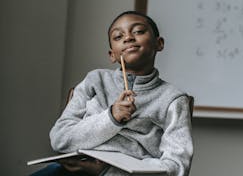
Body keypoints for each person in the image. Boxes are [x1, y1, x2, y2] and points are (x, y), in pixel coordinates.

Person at [30, 11, 193, 176]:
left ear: (159, 43)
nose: (128, 37)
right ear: (112, 55)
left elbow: (177, 166)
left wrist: (108, 171)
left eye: (138, 31)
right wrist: (111, 118)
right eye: (118, 36)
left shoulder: (173, 99)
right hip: (73, 170)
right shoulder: (95, 81)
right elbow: (60, 139)